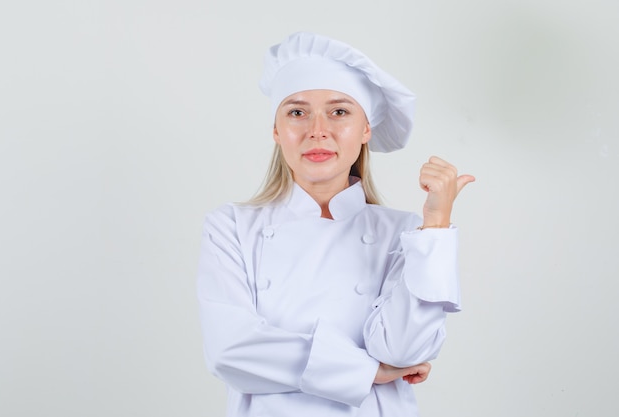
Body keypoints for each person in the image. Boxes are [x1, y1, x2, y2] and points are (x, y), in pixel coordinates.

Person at [196, 31, 475, 417]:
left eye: (339, 111)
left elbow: (405, 350)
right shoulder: (231, 227)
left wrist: (436, 224)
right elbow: (231, 351)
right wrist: (368, 371)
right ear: (277, 131)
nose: (317, 130)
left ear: (365, 130)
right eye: (297, 112)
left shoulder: (404, 232)